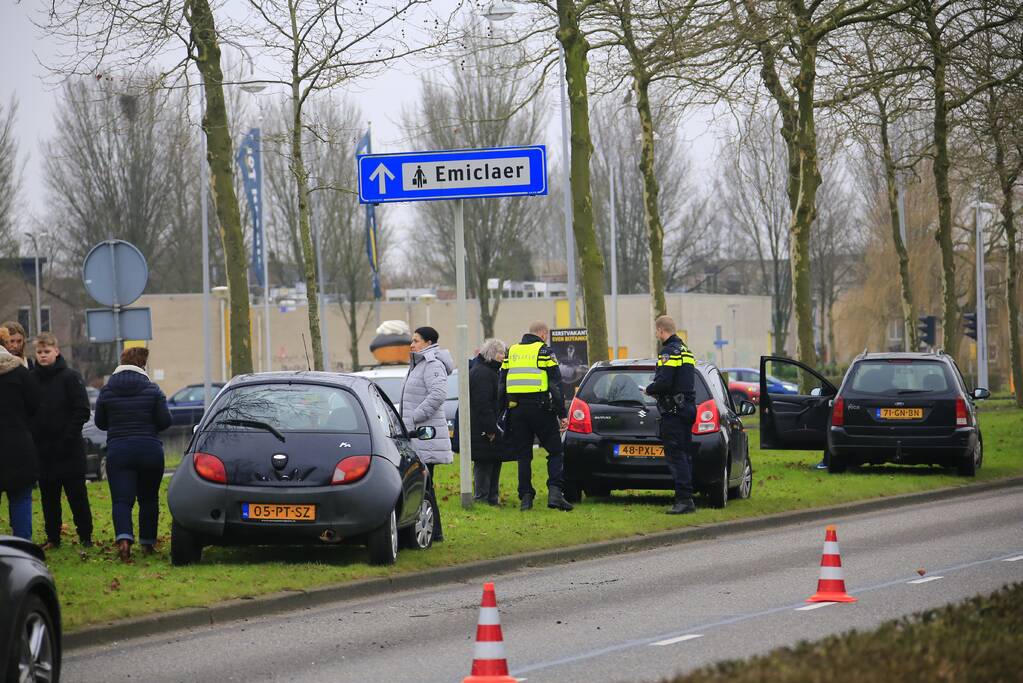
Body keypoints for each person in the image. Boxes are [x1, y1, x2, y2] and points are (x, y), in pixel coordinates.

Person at [94, 347, 172, 561]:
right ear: (143, 366)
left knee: (121, 500)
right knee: (148, 499)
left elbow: (100, 423)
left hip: (119, 451)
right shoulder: (153, 390)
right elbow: (165, 421)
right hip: (149, 451)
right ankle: (147, 543)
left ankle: (124, 540)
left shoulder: (107, 391)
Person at [500, 321, 573, 512]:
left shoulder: (512, 351)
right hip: (541, 409)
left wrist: (502, 411)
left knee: (523, 455)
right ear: (542, 334)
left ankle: (526, 497)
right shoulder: (544, 351)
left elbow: (502, 383)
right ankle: (555, 493)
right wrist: (562, 414)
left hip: (517, 411)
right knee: (555, 451)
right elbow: (555, 386)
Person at [31, 333, 93, 549]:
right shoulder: (31, 379)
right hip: (43, 451)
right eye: (39, 352)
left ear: (56, 351)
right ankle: (53, 538)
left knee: (77, 497)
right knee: (49, 499)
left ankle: (85, 536)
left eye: (46, 351)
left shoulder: (70, 377)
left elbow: (82, 410)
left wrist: (67, 437)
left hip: (69, 450)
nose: (43, 356)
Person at [400, 326, 454, 542]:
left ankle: (432, 532)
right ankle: (434, 533)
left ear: (429, 343)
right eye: (411, 341)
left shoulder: (432, 364)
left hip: (425, 436)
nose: (412, 344)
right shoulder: (418, 364)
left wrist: (415, 416)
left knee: (424, 487)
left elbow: (438, 394)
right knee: (424, 487)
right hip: (415, 435)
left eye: (416, 340)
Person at [644, 315, 698, 515]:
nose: (657, 334)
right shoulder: (686, 351)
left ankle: (684, 500)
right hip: (687, 408)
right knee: (684, 454)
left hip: (674, 412)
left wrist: (649, 389)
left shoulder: (668, 352)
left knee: (676, 455)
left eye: (657, 331)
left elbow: (664, 382)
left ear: (660, 330)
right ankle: (687, 497)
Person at [0, 326, 41, 540]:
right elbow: (35, 404)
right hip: (18, 444)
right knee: (21, 498)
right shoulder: (20, 373)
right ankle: (23, 547)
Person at [469, 339, 507, 505]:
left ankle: (492, 498)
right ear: (492, 353)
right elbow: (482, 403)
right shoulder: (483, 373)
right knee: (484, 462)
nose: (504, 357)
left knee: (493, 460)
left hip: (489, 425)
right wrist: (490, 429)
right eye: (501, 353)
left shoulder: (488, 371)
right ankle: (483, 498)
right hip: (483, 428)